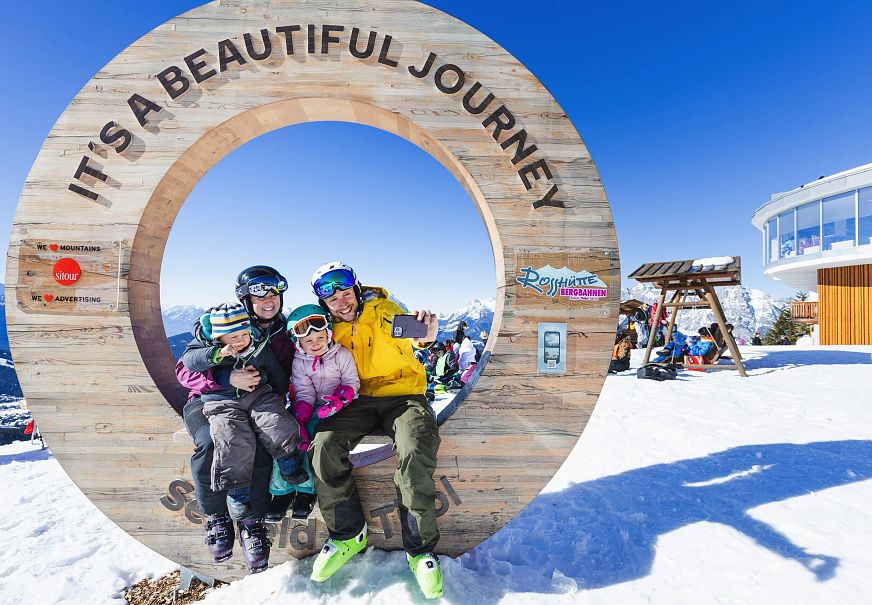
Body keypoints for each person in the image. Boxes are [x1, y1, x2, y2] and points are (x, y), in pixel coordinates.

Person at [307, 261, 443, 599]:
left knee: (414, 448)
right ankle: (347, 534)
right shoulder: (327, 327)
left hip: (404, 395)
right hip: (358, 400)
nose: (341, 300)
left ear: (356, 288)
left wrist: (425, 333)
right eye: (332, 297)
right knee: (324, 445)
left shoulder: (381, 309)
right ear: (324, 303)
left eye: (345, 291)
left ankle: (420, 550)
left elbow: (408, 329)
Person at [176, 266, 293, 570]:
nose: (269, 299)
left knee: (261, 440)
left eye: (274, 292)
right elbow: (184, 371)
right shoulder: (215, 324)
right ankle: (217, 519)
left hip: (259, 399)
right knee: (210, 443)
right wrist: (228, 378)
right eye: (259, 293)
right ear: (244, 297)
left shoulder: (284, 330)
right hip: (208, 401)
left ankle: (250, 521)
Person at [268, 304, 361, 521]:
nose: (316, 344)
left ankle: (306, 490)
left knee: (313, 433)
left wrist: (339, 400)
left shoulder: (342, 355)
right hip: (311, 405)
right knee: (286, 433)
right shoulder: (300, 362)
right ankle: (281, 490)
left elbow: (351, 382)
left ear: (328, 334)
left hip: (340, 405)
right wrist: (300, 416)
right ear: (298, 343)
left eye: (320, 338)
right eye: (308, 341)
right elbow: (304, 392)